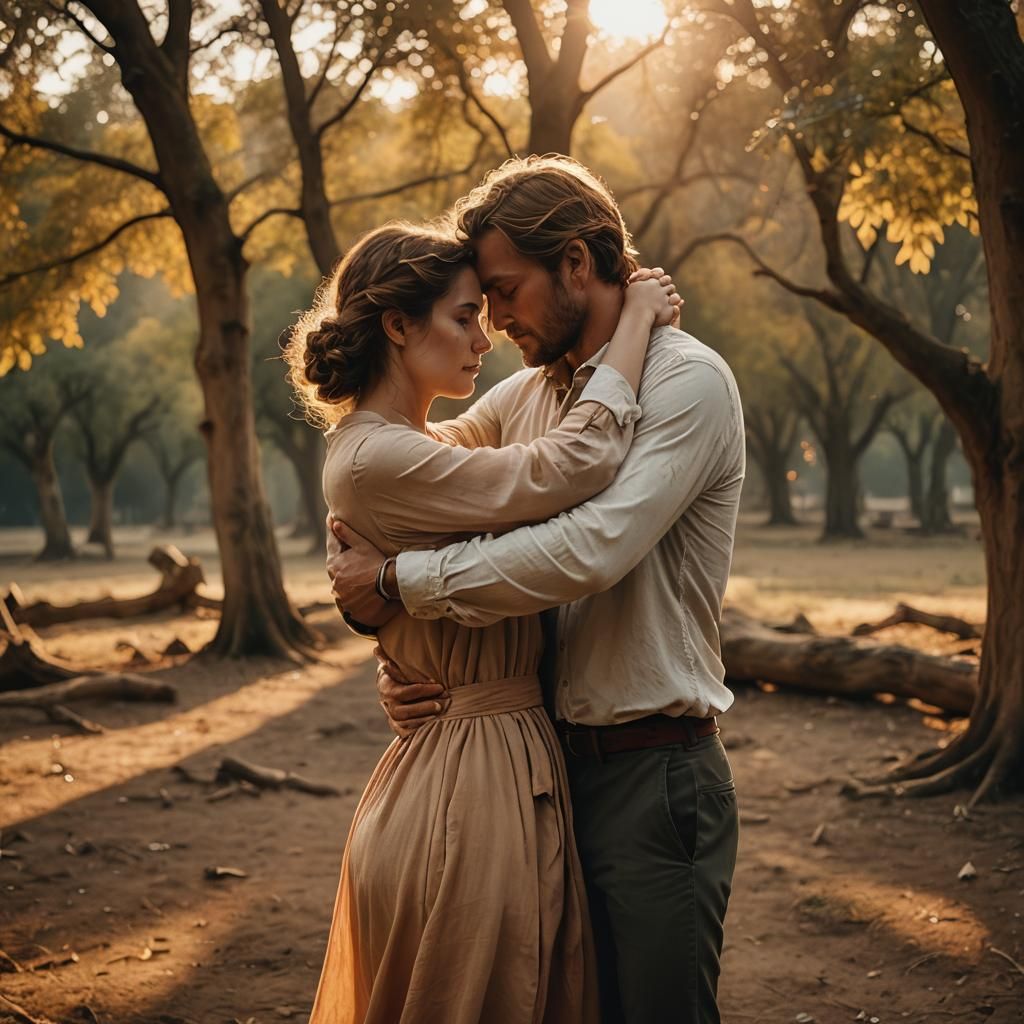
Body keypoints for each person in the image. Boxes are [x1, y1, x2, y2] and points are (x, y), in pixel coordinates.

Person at [327, 156, 746, 1024]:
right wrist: (396, 634)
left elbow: (592, 547)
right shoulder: (536, 391)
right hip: (539, 774)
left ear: (579, 266)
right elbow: (418, 470)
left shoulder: (686, 383)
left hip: (652, 772)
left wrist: (402, 583)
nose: (495, 321)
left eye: (506, 292)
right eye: (475, 304)